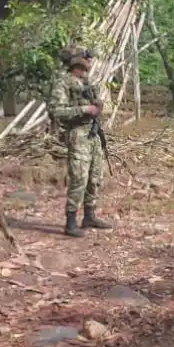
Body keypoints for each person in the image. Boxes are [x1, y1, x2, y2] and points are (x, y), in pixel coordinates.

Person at [47, 46, 113, 237]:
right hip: (78, 135)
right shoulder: (63, 83)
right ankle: (70, 222)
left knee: (95, 177)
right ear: (77, 62)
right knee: (79, 179)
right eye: (86, 60)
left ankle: (89, 216)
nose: (89, 64)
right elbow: (56, 111)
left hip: (92, 134)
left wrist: (98, 106)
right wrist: (84, 110)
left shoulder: (85, 82)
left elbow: (95, 104)